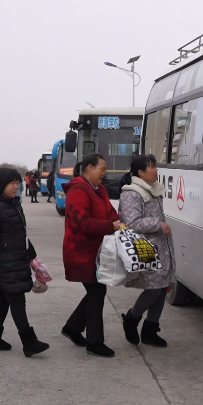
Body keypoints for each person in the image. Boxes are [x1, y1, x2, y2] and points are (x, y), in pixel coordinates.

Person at [0, 167, 50, 357]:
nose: (16, 187)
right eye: (12, 183)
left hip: (16, 259)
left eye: (18, 183)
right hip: (4, 264)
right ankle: (29, 342)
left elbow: (20, 234)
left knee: (3, 300)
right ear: (1, 185)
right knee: (17, 300)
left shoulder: (12, 203)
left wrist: (31, 255)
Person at [62, 153, 123, 358]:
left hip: (98, 251)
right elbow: (82, 223)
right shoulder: (78, 190)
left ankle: (72, 327)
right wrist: (110, 226)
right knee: (97, 292)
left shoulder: (99, 189)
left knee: (96, 292)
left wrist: (118, 223)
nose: (104, 173)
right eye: (101, 169)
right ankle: (94, 342)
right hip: (81, 252)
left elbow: (110, 213)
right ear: (89, 168)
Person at [118, 155, 175, 347]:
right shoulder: (132, 193)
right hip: (145, 249)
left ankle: (150, 330)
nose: (156, 170)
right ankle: (132, 318)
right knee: (153, 290)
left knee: (162, 288)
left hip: (161, 247)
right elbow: (132, 223)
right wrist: (158, 224)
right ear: (141, 172)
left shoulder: (153, 190)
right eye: (152, 167)